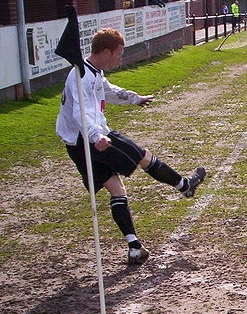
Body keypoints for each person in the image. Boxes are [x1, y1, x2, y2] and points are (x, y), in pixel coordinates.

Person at [56, 28, 206, 265]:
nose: (120, 58)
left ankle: (134, 247)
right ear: (106, 51)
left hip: (79, 141)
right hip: (90, 139)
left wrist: (135, 98)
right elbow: (79, 112)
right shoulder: (81, 75)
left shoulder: (92, 71)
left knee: (117, 189)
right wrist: (96, 137)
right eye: (119, 53)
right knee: (142, 156)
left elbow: (109, 91)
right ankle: (184, 186)